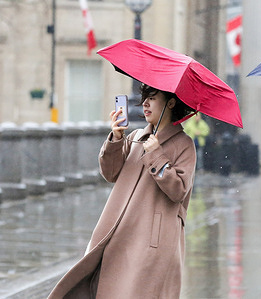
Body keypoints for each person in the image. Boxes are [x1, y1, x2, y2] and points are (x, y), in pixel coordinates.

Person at [48, 84, 196, 298]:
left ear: (171, 103)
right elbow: (110, 173)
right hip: (119, 234)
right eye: (144, 98)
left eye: (152, 98)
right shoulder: (136, 136)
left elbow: (179, 190)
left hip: (152, 243)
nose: (144, 103)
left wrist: (156, 154)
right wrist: (117, 138)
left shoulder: (184, 145)